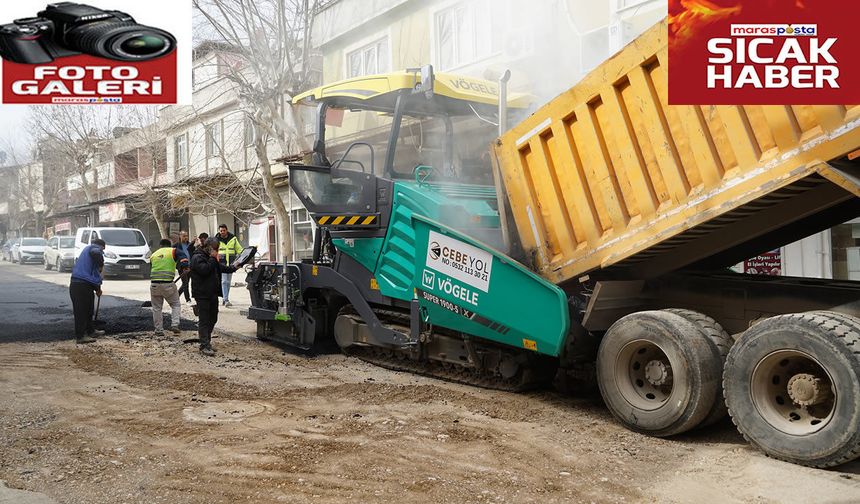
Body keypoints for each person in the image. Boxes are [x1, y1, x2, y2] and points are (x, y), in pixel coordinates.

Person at [191, 237, 237, 356]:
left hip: (212, 293)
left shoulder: (209, 258)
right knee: (204, 320)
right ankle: (204, 345)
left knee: (213, 318)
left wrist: (234, 267)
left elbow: (220, 267)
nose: (218, 251)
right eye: (217, 249)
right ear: (210, 248)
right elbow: (205, 270)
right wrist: (212, 257)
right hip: (202, 294)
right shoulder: (197, 257)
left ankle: (207, 342)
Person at [69, 238, 106, 344]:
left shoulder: (88, 259)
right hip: (80, 285)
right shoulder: (93, 248)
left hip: (86, 285)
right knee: (81, 312)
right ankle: (80, 336)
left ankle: (91, 331)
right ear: (101, 246)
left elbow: (94, 276)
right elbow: (96, 252)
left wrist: (98, 289)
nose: (102, 252)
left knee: (89, 310)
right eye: (103, 249)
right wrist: (101, 263)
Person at [150, 238, 184, 336]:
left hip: (154, 284)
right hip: (168, 284)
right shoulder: (173, 250)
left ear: (160, 246)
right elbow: (183, 257)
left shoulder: (154, 254)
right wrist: (185, 265)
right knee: (175, 304)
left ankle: (158, 330)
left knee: (156, 308)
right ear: (170, 245)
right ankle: (175, 324)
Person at [216, 224, 243, 307]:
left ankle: (225, 298)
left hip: (231, 264)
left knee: (228, 282)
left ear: (227, 230)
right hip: (221, 263)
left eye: (224, 230)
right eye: (221, 231)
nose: (222, 232)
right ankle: (226, 299)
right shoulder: (216, 239)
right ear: (219, 231)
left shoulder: (233, 239)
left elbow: (239, 250)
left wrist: (242, 259)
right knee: (224, 281)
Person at [174, 230, 193, 303]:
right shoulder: (176, 246)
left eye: (187, 236)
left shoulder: (190, 245)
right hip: (181, 267)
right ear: (180, 236)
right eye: (184, 236)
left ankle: (176, 297)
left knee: (186, 283)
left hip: (190, 266)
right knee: (185, 283)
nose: (186, 237)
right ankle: (188, 299)